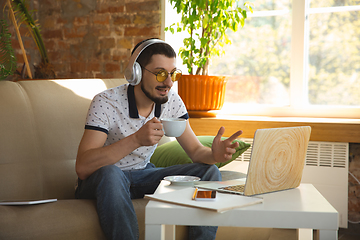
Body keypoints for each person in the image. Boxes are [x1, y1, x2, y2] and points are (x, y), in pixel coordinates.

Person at [75, 38, 243, 240]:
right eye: (161, 73)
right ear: (135, 72)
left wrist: (214, 155)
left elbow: (197, 152)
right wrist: (136, 139)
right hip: (104, 180)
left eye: (173, 74)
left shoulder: (172, 102)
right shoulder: (106, 102)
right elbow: (83, 166)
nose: (169, 82)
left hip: (143, 176)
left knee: (209, 171)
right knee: (111, 173)